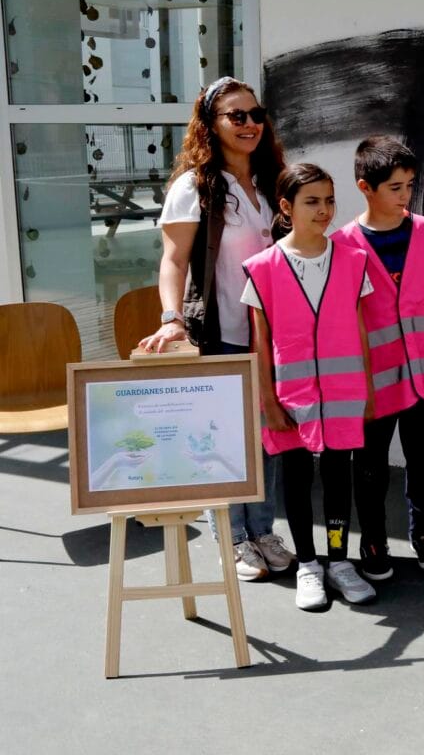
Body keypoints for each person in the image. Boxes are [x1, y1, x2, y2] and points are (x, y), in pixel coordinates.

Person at [137, 76, 295, 582]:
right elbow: (174, 260)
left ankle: (263, 529)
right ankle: (231, 537)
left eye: (256, 113)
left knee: (269, 434)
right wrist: (172, 320)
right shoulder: (196, 186)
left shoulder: (275, 179)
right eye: (237, 116)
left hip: (272, 332)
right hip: (222, 329)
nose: (250, 124)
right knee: (223, 438)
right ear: (211, 124)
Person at [241, 163, 378, 611]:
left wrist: (369, 390)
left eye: (329, 200)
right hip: (289, 396)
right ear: (286, 207)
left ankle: (338, 560)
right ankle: (307, 564)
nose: (324, 210)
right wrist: (267, 400)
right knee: (296, 481)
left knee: (339, 478)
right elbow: (259, 343)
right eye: (312, 201)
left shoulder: (354, 260)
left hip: (342, 393)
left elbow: (360, 329)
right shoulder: (263, 268)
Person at [332, 137, 424, 582]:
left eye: (410, 185)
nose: (405, 195)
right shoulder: (342, 245)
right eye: (395, 187)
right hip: (373, 379)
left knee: (422, 461)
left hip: (423, 376)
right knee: (370, 466)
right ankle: (373, 538)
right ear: (366, 187)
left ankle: (423, 532)